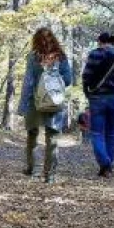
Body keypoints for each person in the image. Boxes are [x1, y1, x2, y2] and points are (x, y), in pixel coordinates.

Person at [17, 27, 73, 182]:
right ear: (53, 39)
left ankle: (32, 170)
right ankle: (50, 175)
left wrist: (23, 105)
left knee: (32, 134)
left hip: (35, 101)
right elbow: (68, 80)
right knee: (52, 137)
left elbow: (28, 82)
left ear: (35, 40)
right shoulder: (61, 57)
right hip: (54, 101)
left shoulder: (33, 57)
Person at [81, 32, 114, 177]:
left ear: (99, 41)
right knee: (111, 134)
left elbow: (86, 76)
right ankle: (108, 166)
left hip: (97, 98)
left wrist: (87, 92)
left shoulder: (94, 55)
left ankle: (105, 163)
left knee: (96, 133)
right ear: (111, 42)